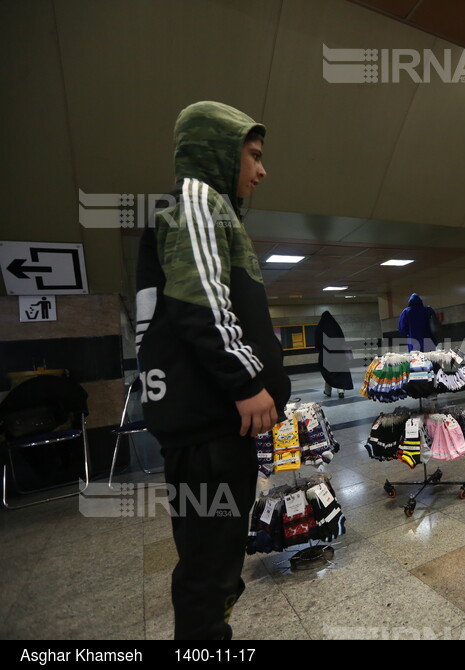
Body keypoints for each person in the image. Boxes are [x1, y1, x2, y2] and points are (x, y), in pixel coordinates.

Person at [135, 101, 291, 639]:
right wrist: (246, 381)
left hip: (208, 431)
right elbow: (198, 300)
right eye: (253, 155)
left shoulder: (211, 208)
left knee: (214, 567)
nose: (261, 170)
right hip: (209, 431)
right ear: (219, 153)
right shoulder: (198, 197)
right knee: (210, 572)